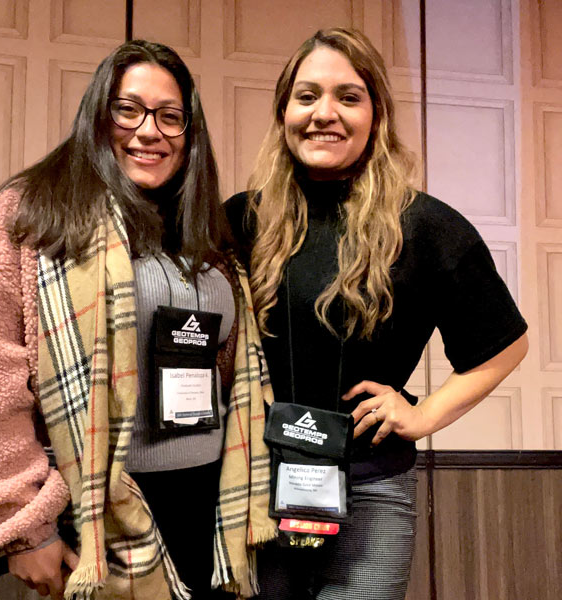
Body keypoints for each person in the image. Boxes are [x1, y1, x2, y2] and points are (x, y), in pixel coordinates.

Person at [0, 40, 276, 600]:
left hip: (205, 508)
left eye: (170, 116)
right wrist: (21, 524)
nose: (149, 131)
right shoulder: (34, 213)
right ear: (97, 116)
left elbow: (223, 369)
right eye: (127, 109)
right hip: (85, 519)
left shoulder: (205, 234)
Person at [225, 27, 528, 600]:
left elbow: (506, 345)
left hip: (372, 492)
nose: (325, 114)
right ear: (284, 111)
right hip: (254, 488)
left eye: (348, 96)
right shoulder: (239, 221)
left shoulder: (427, 227)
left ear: (376, 114)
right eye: (307, 95)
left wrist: (424, 414)